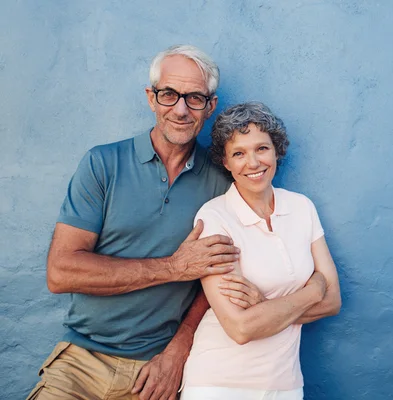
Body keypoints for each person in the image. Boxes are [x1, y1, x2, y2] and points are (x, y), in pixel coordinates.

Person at [28, 45, 264, 400]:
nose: (180, 110)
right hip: (81, 362)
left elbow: (220, 278)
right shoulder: (102, 164)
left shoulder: (222, 181)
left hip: (160, 370)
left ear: (210, 106)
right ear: (151, 98)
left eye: (195, 98)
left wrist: (179, 351)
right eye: (169, 95)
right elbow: (61, 273)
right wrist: (173, 267)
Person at [180, 102, 342, 399]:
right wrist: (313, 290)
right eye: (239, 153)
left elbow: (333, 302)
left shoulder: (301, 207)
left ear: (276, 150)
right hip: (218, 384)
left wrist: (264, 305)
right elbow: (241, 328)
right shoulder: (215, 217)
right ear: (225, 162)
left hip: (285, 384)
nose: (253, 163)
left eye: (262, 149)